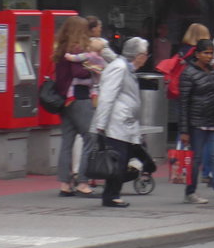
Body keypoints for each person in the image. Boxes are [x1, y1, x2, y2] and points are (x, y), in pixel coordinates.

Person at [91, 36, 148, 208]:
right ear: (138, 55)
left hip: (126, 123)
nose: (146, 58)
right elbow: (107, 96)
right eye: (145, 54)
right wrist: (100, 125)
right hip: (117, 123)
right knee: (118, 160)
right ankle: (111, 195)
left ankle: (112, 193)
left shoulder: (126, 67)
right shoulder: (120, 68)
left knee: (124, 159)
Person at [178, 38, 214, 205]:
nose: (209, 56)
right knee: (196, 158)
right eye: (205, 53)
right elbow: (184, 103)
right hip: (197, 122)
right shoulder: (188, 73)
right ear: (197, 54)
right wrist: (184, 131)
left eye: (211, 53)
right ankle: (191, 192)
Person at [53, 15, 97, 197]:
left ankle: (65, 183)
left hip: (65, 100)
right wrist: (93, 68)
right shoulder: (76, 50)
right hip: (80, 98)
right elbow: (80, 72)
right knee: (90, 138)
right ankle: (83, 182)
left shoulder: (61, 49)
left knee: (67, 141)